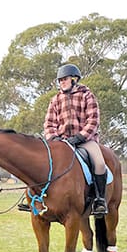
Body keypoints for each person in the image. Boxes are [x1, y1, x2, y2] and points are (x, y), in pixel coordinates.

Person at [43, 63, 108, 216]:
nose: (61, 83)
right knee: (40, 161)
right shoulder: (55, 100)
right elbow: (49, 123)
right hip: (60, 142)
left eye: (64, 79)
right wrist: (53, 138)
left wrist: (79, 137)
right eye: (60, 80)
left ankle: (100, 200)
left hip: (86, 141)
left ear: (74, 79)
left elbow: (93, 120)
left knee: (99, 163)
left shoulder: (87, 95)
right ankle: (36, 199)